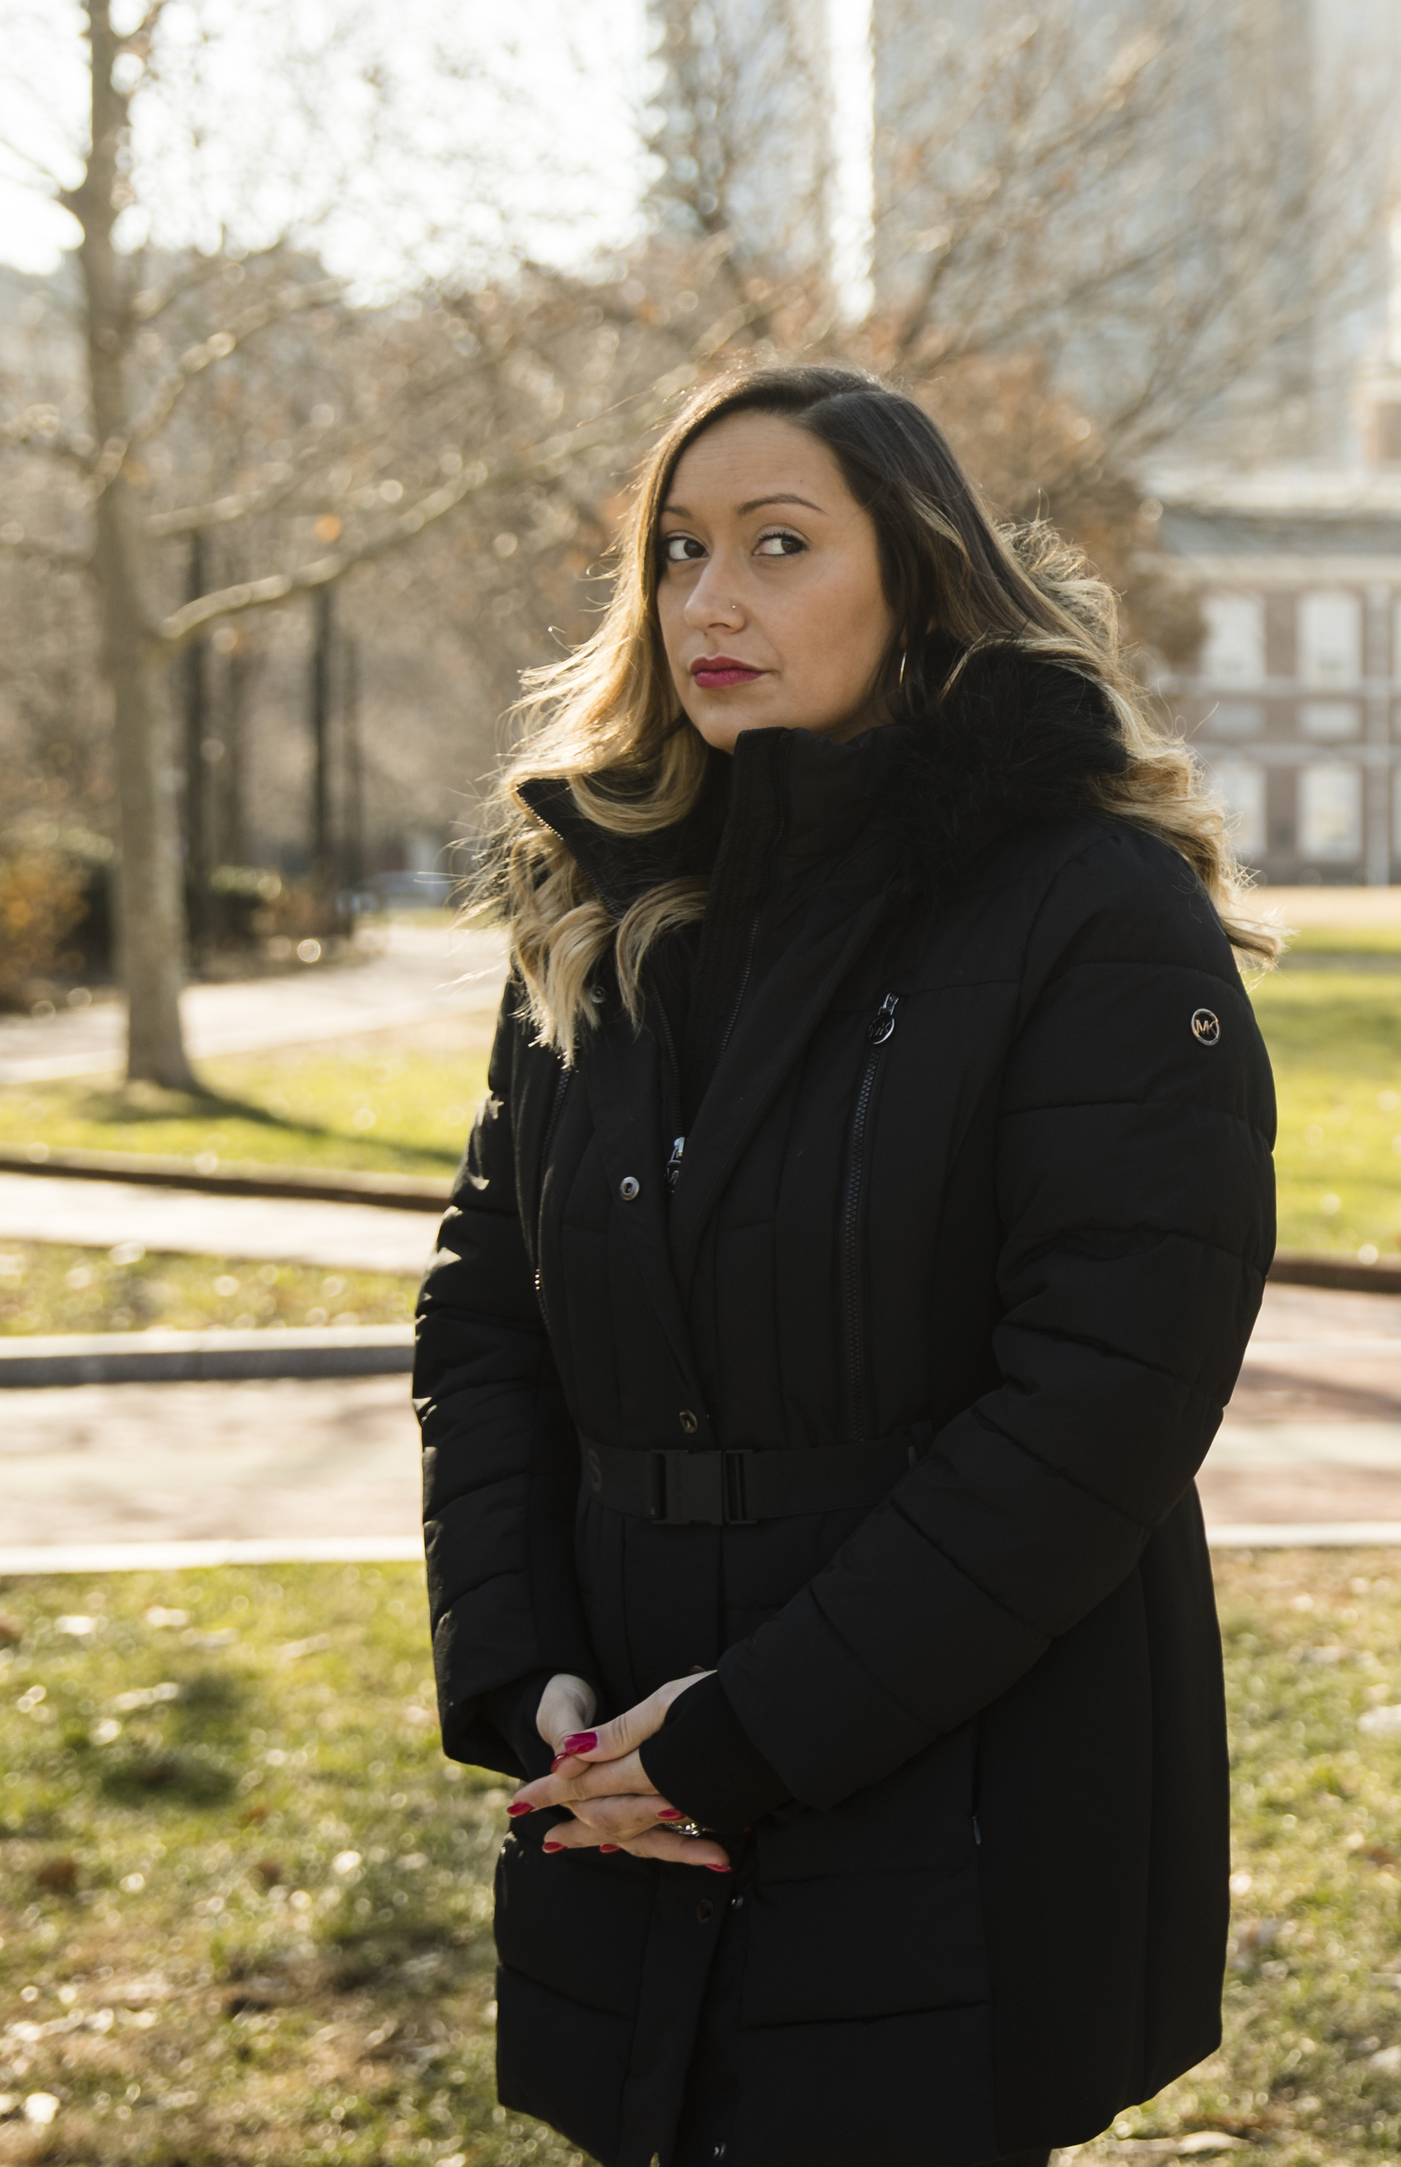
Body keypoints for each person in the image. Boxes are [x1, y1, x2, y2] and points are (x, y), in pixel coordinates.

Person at [415, 364, 1278, 2167]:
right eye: (677, 552)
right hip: (614, 1754)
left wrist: (756, 1730)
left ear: (918, 578)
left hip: (949, 1774)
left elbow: (1104, 1404)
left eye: (779, 545)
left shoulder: (1086, 909)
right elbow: (489, 1306)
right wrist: (522, 1672)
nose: (709, 601)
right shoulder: (599, 898)